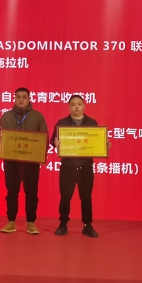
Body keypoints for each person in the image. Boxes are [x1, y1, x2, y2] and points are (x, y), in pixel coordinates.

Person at [0, 88, 48, 234]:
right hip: (11, 161)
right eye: (18, 97)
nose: (20, 99)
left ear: (29, 99)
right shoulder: (6, 116)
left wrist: (42, 154)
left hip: (31, 162)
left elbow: (44, 136)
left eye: (24, 97)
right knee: (12, 192)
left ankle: (31, 223)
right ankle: (11, 221)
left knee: (31, 193)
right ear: (14, 99)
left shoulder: (37, 116)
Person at [52, 94, 102, 238]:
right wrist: (55, 142)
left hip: (86, 166)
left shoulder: (92, 123)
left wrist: (104, 145)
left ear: (84, 106)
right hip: (68, 165)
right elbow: (52, 140)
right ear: (69, 107)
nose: (76, 107)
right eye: (73, 104)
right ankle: (63, 224)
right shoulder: (62, 123)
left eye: (79, 104)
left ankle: (87, 225)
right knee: (65, 196)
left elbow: (97, 141)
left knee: (86, 197)